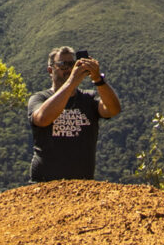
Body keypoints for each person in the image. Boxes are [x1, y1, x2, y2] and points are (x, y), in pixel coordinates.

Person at [27, 46, 121, 182]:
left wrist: (98, 79)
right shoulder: (39, 98)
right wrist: (73, 81)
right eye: (63, 65)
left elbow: (113, 110)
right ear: (50, 70)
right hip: (44, 184)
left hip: (82, 186)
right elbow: (42, 119)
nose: (69, 69)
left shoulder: (89, 99)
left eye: (72, 64)